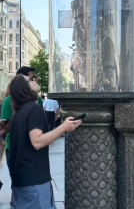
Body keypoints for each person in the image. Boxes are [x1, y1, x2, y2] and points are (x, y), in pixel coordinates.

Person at [8, 75, 82, 209]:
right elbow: (37, 141)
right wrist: (63, 127)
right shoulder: (34, 108)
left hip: (20, 180)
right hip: (35, 180)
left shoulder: (17, 113)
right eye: (31, 79)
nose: (35, 80)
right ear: (25, 88)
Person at [0, 66, 41, 168]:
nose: (34, 80)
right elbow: (3, 129)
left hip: (35, 147)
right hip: (16, 147)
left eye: (34, 78)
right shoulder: (9, 100)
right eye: (31, 79)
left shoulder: (38, 100)